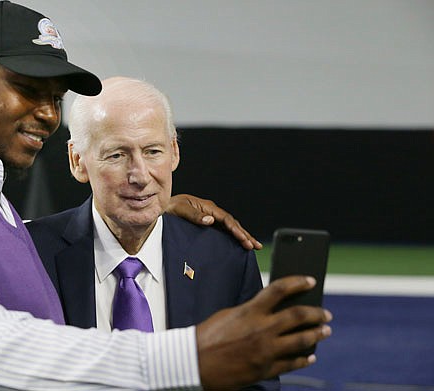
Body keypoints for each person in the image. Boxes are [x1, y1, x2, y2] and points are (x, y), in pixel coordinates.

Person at [0, 2, 331, 390]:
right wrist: (189, 357)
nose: (49, 114)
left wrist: (149, 213)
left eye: (55, 98)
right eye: (28, 88)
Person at [28, 76, 279, 390]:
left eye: (152, 151)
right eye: (117, 154)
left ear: (174, 152)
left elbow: (257, 380)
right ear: (78, 161)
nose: (140, 175)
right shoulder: (30, 255)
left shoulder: (225, 258)